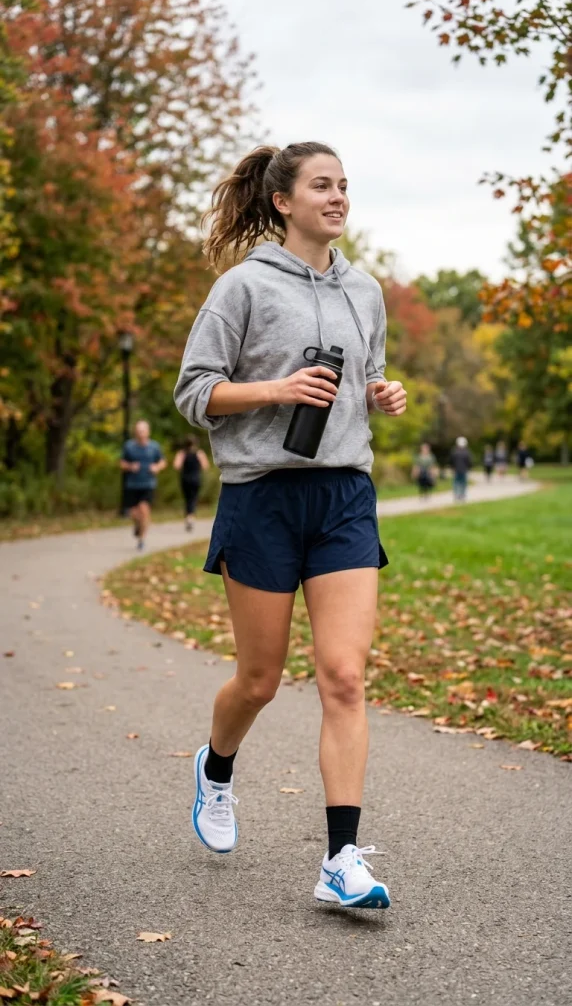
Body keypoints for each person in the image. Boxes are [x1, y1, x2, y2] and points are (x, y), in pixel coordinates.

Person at [174, 142, 408, 910]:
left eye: (344, 185)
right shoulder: (241, 287)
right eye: (322, 185)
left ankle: (341, 859)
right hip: (262, 498)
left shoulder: (363, 290)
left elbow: (366, 370)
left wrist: (381, 392)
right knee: (260, 679)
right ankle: (215, 766)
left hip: (343, 493)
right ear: (284, 201)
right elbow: (194, 392)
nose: (338, 197)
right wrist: (274, 388)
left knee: (344, 675)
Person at [119, 420, 166, 551]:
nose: (141, 433)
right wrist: (130, 466)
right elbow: (121, 463)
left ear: (148, 432)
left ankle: (142, 540)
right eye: (139, 431)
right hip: (132, 484)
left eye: (143, 430)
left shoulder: (154, 447)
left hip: (148, 484)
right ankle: (138, 526)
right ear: (135, 432)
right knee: (134, 513)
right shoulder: (129, 446)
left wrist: (156, 467)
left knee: (144, 511)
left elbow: (162, 462)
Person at [173, 436, 210, 531]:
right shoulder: (199, 453)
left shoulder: (182, 453)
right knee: (193, 498)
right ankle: (191, 517)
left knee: (187, 499)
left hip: (185, 479)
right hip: (195, 479)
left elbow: (177, 466)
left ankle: (188, 517)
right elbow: (205, 466)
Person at [450, 436, 472, 502]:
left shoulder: (454, 451)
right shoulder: (466, 452)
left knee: (456, 483)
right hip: (463, 470)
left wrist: (452, 467)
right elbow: (469, 462)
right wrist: (469, 467)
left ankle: (456, 495)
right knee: (463, 483)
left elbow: (451, 461)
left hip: (456, 469)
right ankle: (462, 495)